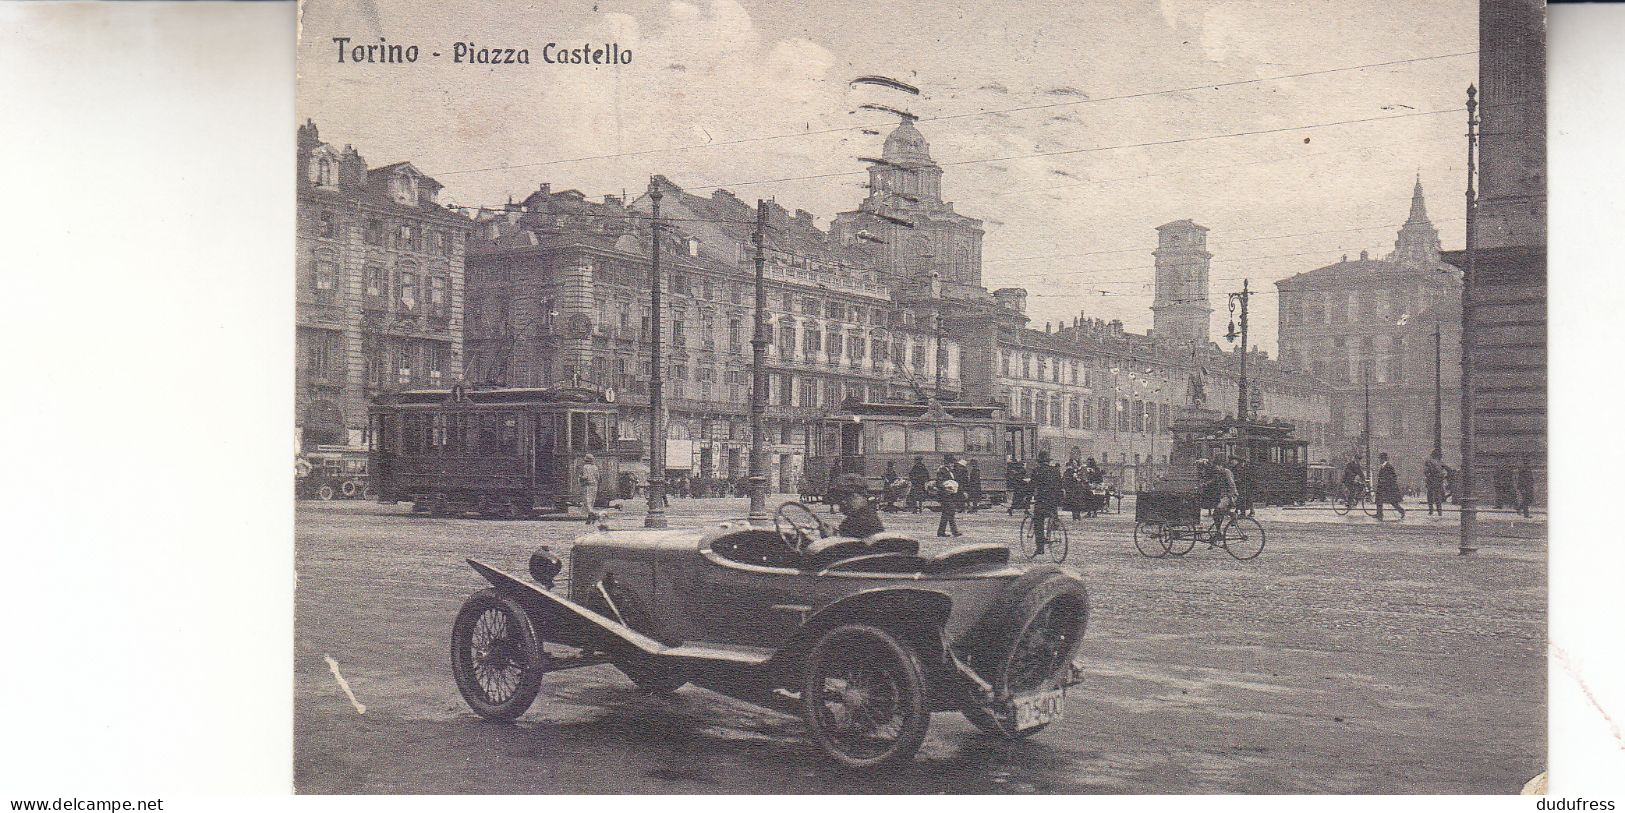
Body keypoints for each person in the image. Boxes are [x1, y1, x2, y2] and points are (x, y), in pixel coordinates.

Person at [830, 473, 884, 538]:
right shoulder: (868, 516)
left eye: (848, 496)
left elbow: (851, 545)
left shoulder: (860, 522)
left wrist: (830, 538)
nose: (843, 502)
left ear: (862, 496)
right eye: (839, 498)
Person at [1030, 451, 1063, 553]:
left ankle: (1040, 547)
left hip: (1042, 501)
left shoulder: (1037, 471)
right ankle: (1055, 523)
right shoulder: (1055, 471)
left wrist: (1027, 499)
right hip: (1053, 502)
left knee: (1038, 521)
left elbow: (1031, 487)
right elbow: (1060, 486)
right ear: (1048, 461)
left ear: (1039, 461)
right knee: (1052, 515)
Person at [1374, 451, 1405, 520]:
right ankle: (1379, 514)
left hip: (1389, 487)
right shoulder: (1384, 466)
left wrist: (1385, 480)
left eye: (1380, 459)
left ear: (1383, 459)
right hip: (1383, 487)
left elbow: (1393, 477)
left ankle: (1402, 511)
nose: (1379, 460)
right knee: (1379, 500)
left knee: (1392, 502)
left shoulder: (1389, 466)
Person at [934, 469, 962, 538]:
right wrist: (946, 488)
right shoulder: (943, 471)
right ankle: (952, 531)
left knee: (947, 514)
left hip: (949, 495)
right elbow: (939, 483)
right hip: (945, 495)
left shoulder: (950, 471)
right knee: (950, 512)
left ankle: (943, 531)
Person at [579, 454, 601, 524]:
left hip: (587, 485)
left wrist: (580, 476)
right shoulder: (595, 467)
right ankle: (589, 518)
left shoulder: (585, 467)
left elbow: (585, 477)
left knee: (587, 502)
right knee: (592, 502)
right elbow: (598, 477)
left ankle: (592, 515)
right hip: (595, 485)